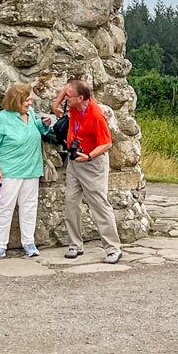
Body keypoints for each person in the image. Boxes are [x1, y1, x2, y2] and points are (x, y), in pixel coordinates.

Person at [53, 79, 123, 263]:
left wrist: (89, 156)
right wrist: (55, 105)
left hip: (92, 163)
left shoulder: (96, 114)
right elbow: (64, 92)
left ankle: (113, 248)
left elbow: (106, 143)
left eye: (69, 96)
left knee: (99, 204)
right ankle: (75, 244)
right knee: (71, 203)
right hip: (75, 161)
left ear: (81, 98)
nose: (65, 98)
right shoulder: (74, 104)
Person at [0, 84, 54, 259]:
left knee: (29, 207)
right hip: (9, 171)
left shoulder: (29, 114)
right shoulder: (2, 118)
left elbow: (35, 128)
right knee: (4, 207)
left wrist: (43, 124)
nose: (30, 102)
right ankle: (0, 245)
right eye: (26, 99)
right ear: (16, 100)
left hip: (31, 168)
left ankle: (29, 243)